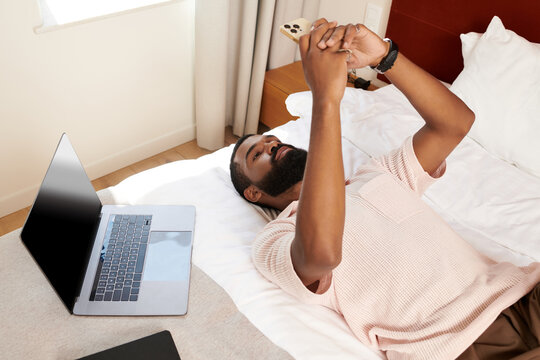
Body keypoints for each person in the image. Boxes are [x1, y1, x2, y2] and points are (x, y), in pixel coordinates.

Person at [229, 18, 540, 360]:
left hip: (522, 294)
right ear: (252, 193)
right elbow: (322, 255)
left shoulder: (375, 176)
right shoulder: (274, 241)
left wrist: (385, 58)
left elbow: (455, 124)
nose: (272, 145)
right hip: (460, 347)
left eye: (273, 139)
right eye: (256, 154)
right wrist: (325, 100)